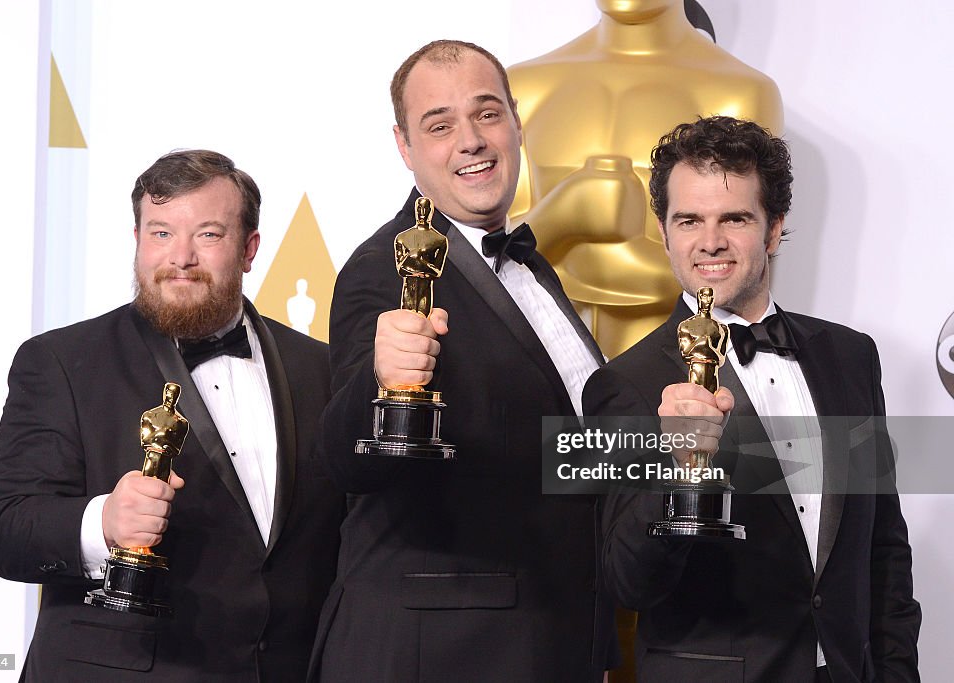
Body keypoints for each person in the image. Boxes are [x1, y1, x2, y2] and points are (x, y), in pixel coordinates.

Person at [308, 40, 615, 681]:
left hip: (547, 642)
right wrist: (380, 382)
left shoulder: (531, 267)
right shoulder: (383, 269)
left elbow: (566, 449)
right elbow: (344, 456)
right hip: (439, 650)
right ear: (404, 147)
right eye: (440, 125)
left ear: (516, 122)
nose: (471, 140)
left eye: (487, 113)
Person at [0, 150, 345, 682]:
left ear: (249, 249)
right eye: (162, 233)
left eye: (209, 235)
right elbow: (4, 529)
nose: (182, 257)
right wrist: (101, 523)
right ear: (137, 240)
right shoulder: (60, 362)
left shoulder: (323, 368)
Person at [583, 116, 921, 681]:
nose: (709, 241)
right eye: (688, 220)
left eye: (733, 218)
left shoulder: (849, 357)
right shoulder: (627, 383)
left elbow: (883, 549)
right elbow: (627, 582)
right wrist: (677, 469)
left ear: (772, 228)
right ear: (664, 232)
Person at [506, 0, 783, 358]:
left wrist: (588, 263)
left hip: (675, 369)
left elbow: (745, 274)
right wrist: (565, 213)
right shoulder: (526, 85)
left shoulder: (739, 92)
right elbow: (495, 259)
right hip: (541, 362)